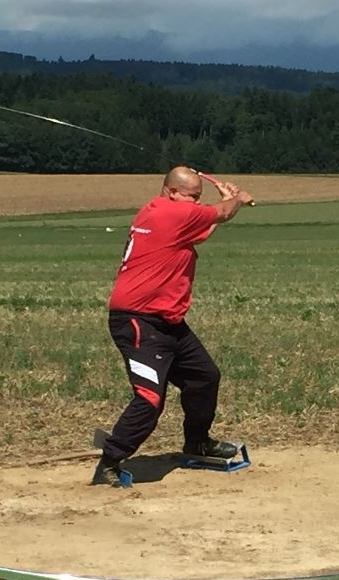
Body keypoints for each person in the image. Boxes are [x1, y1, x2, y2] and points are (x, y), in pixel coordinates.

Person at [92, 166, 255, 487]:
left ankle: (197, 443)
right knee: (149, 399)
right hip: (138, 321)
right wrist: (236, 199)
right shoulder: (170, 212)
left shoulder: (166, 214)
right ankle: (110, 461)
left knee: (204, 377)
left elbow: (205, 226)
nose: (196, 203)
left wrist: (226, 204)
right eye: (191, 197)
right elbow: (221, 214)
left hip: (168, 322)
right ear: (171, 192)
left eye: (199, 197)